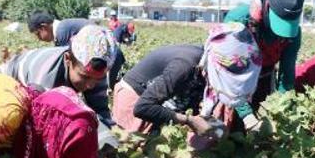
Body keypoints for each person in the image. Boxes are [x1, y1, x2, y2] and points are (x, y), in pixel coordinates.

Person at [112, 22, 262, 145]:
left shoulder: (209, 65)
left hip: (162, 100)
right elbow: (142, 107)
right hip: (135, 99)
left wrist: (247, 119)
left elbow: (228, 93)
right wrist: (189, 120)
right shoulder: (185, 66)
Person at [0, 25, 118, 131]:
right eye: (84, 77)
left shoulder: (96, 70)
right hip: (7, 81)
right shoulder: (45, 78)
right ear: (67, 59)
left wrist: (107, 135)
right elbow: (41, 125)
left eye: (97, 79)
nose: (90, 85)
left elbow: (100, 110)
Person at [224, 0, 304, 109]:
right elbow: (230, 74)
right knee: (233, 125)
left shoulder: (293, 34)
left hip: (265, 76)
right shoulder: (238, 21)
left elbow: (287, 76)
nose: (280, 34)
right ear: (267, 6)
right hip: (231, 83)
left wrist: (282, 106)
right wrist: (245, 113)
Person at [27, 11, 126, 90]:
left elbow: (69, 68)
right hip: (110, 57)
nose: (39, 38)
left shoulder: (62, 32)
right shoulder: (63, 27)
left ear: (44, 27)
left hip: (109, 58)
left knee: (106, 89)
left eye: (38, 34)